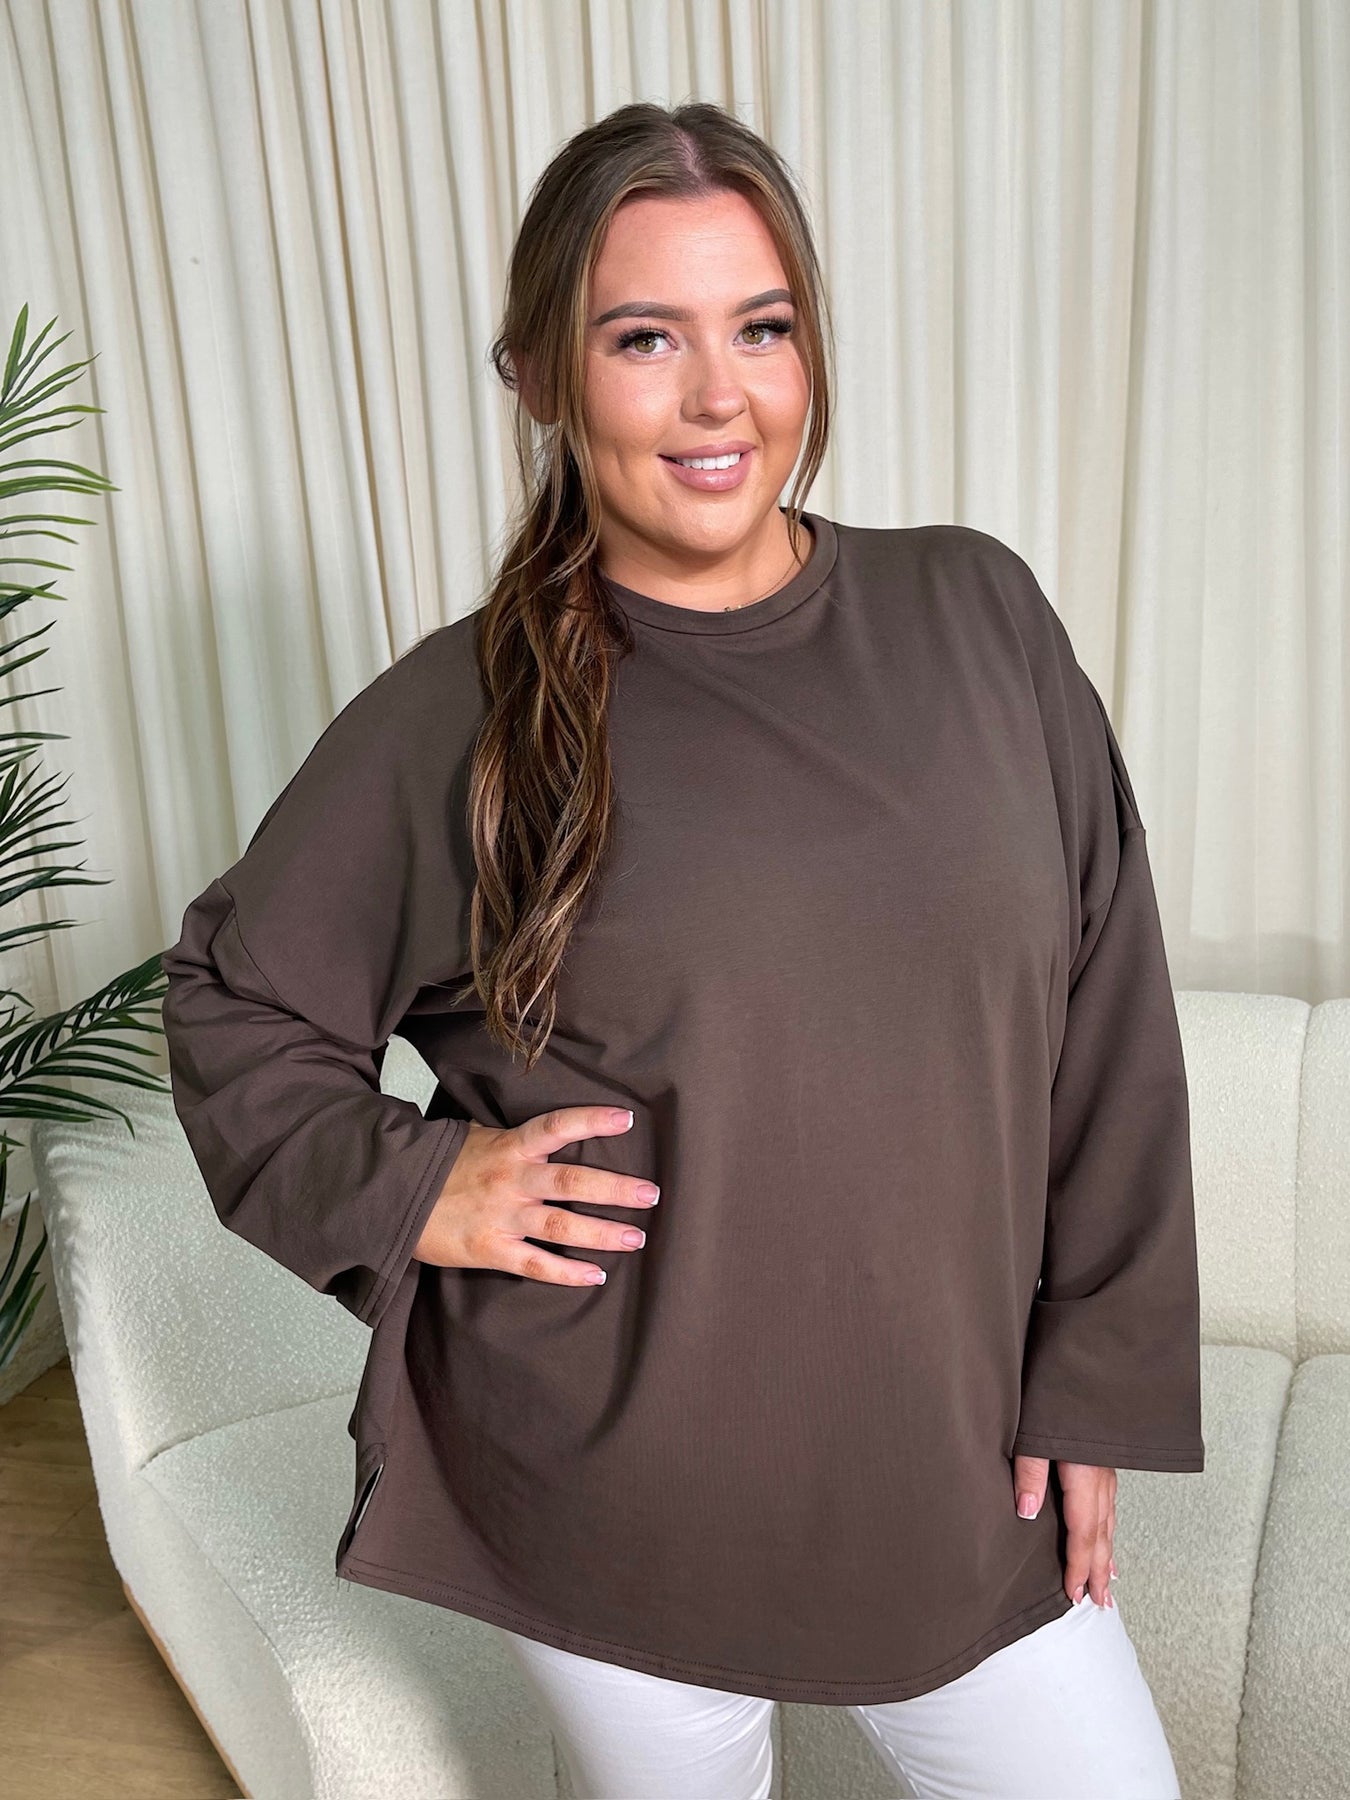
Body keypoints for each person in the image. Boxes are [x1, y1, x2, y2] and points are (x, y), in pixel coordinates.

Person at [161, 100, 1204, 1800]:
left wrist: (1091, 1379)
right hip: (608, 1495)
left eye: (761, 328)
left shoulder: (978, 618)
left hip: (955, 1473)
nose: (720, 397)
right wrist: (419, 1186)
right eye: (644, 338)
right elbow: (232, 998)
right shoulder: (465, 715)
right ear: (540, 377)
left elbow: (1109, 1020)